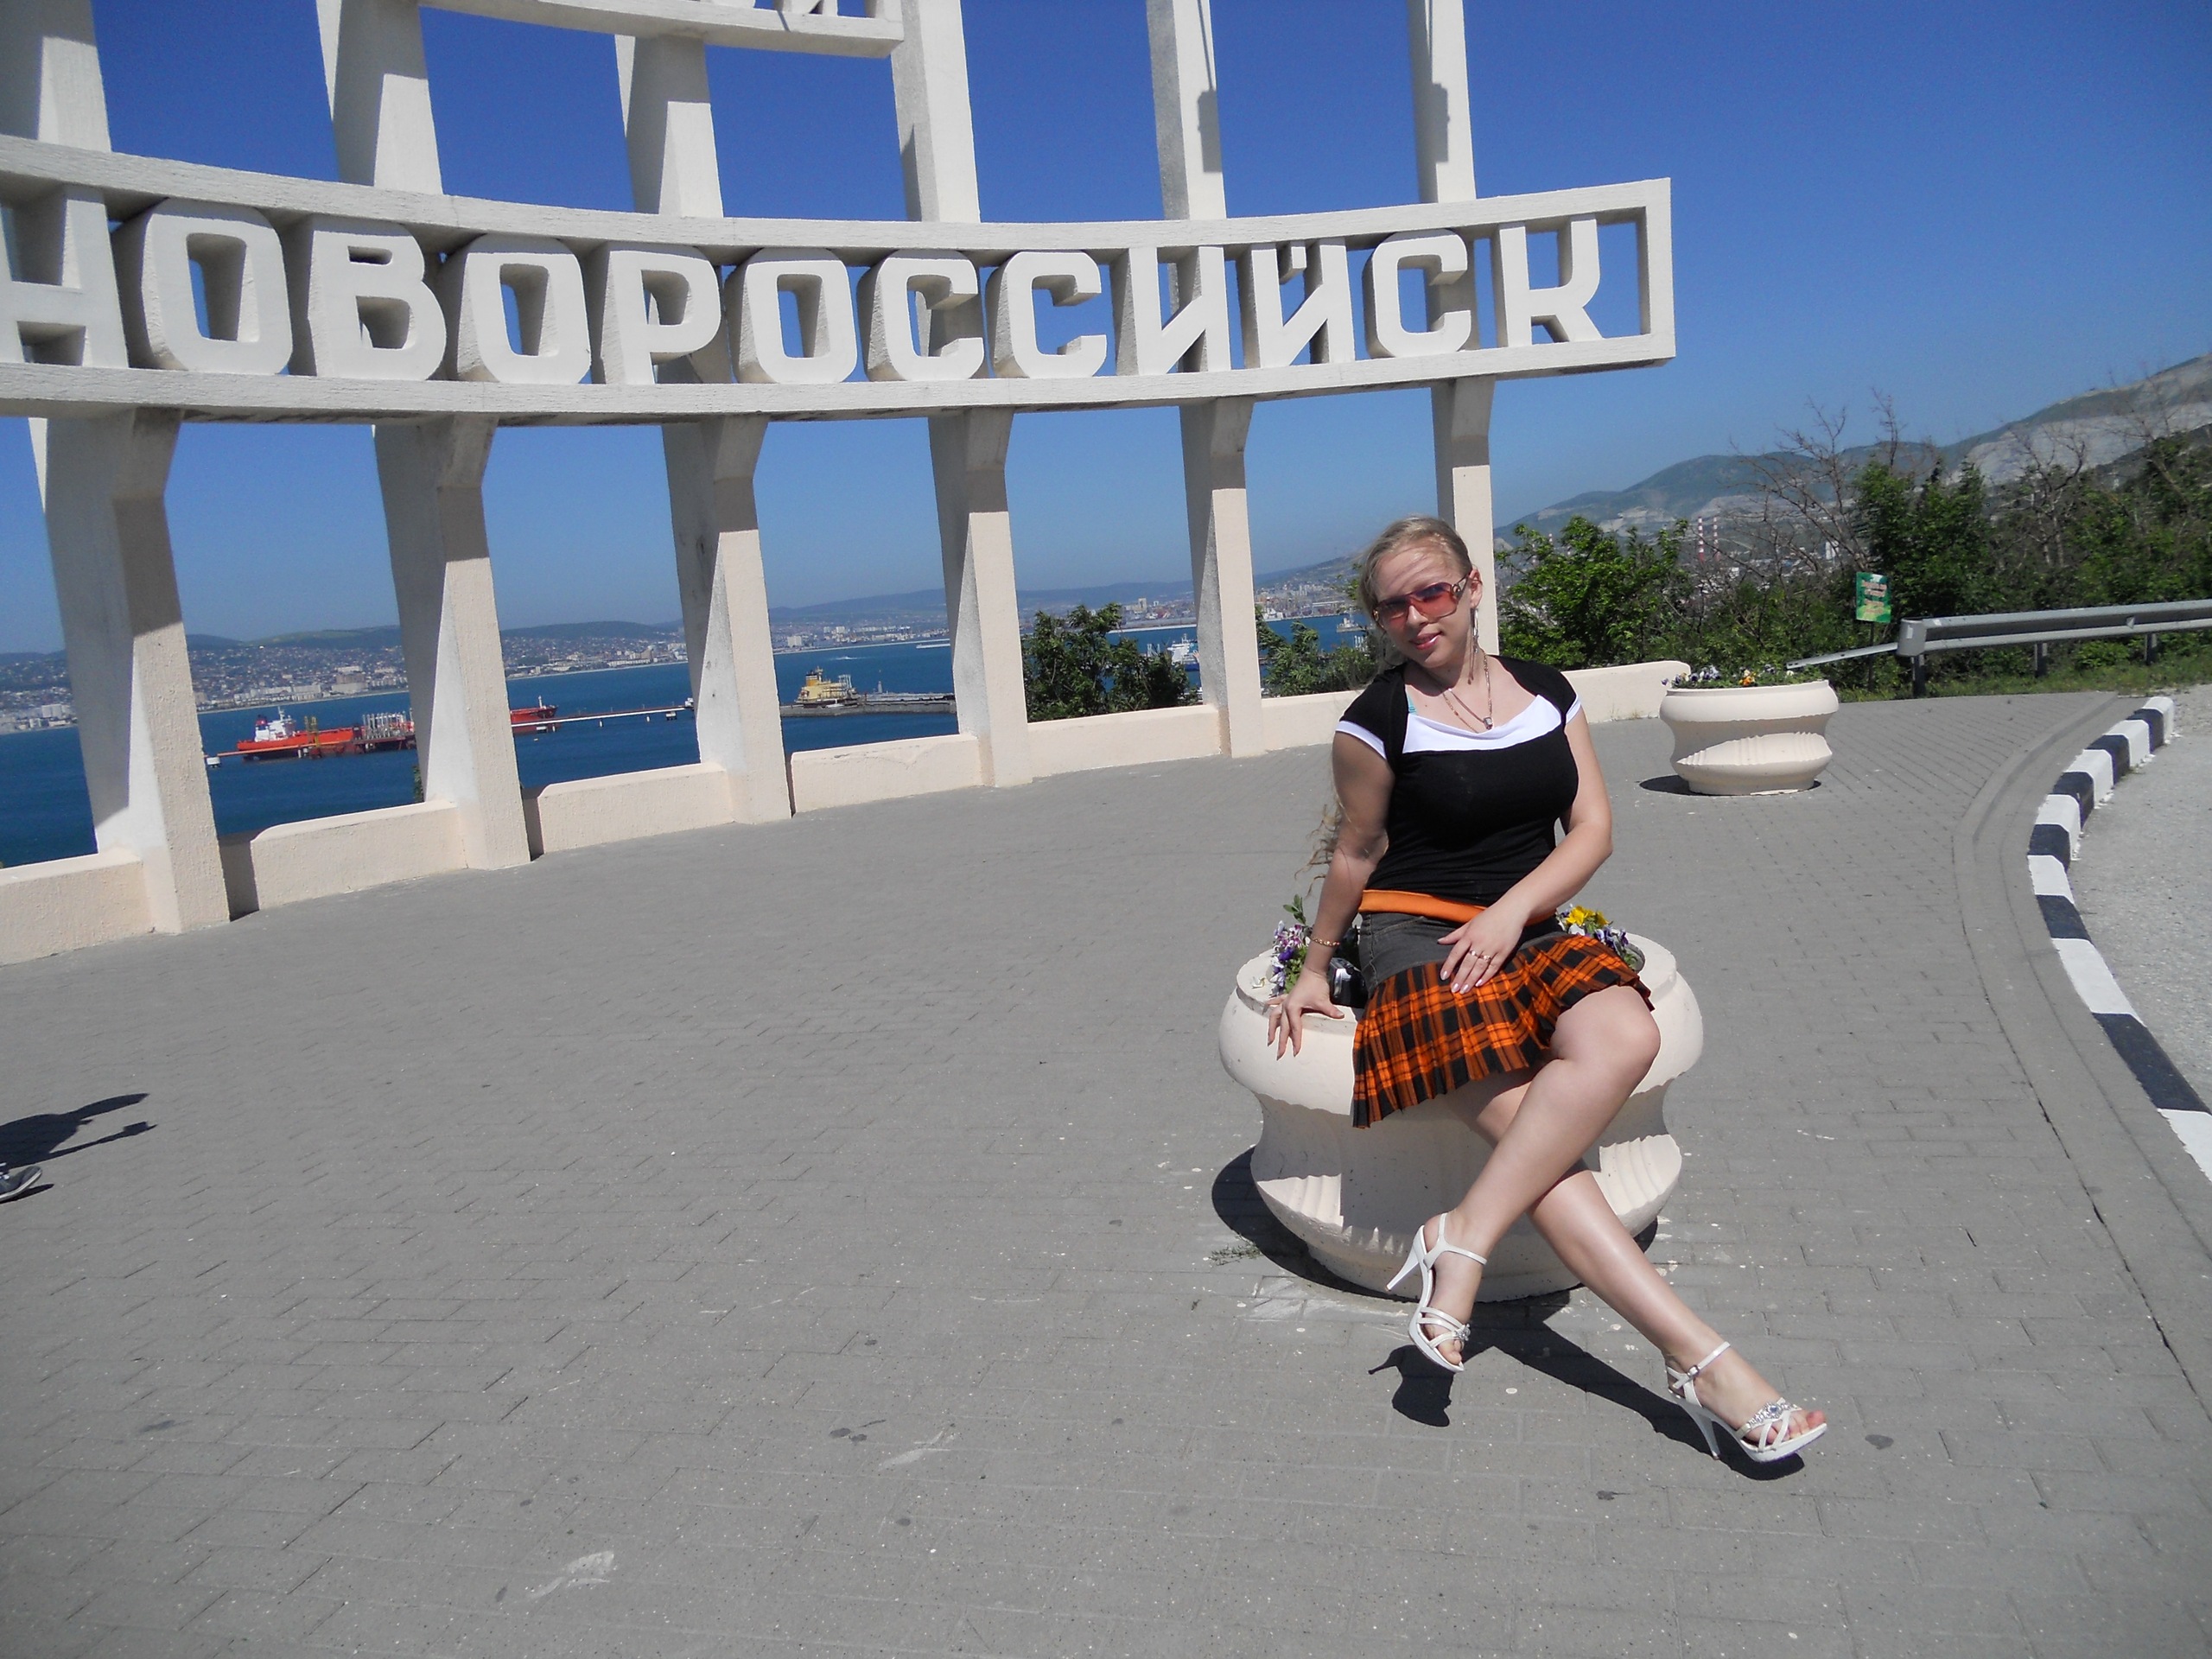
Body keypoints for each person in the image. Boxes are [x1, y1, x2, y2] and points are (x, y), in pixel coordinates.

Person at [1268, 514, 1825, 1465]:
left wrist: (1508, 913)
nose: (1415, 617)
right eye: (1391, 607)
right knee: (1546, 1153)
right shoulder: (1377, 720)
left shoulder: (1546, 691)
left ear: (1471, 588)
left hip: (1525, 928)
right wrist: (1315, 967)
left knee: (1627, 1036)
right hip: (1419, 941)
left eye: (1432, 592)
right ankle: (1703, 1362)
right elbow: (1356, 850)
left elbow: (1592, 828)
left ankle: (1463, 1233)